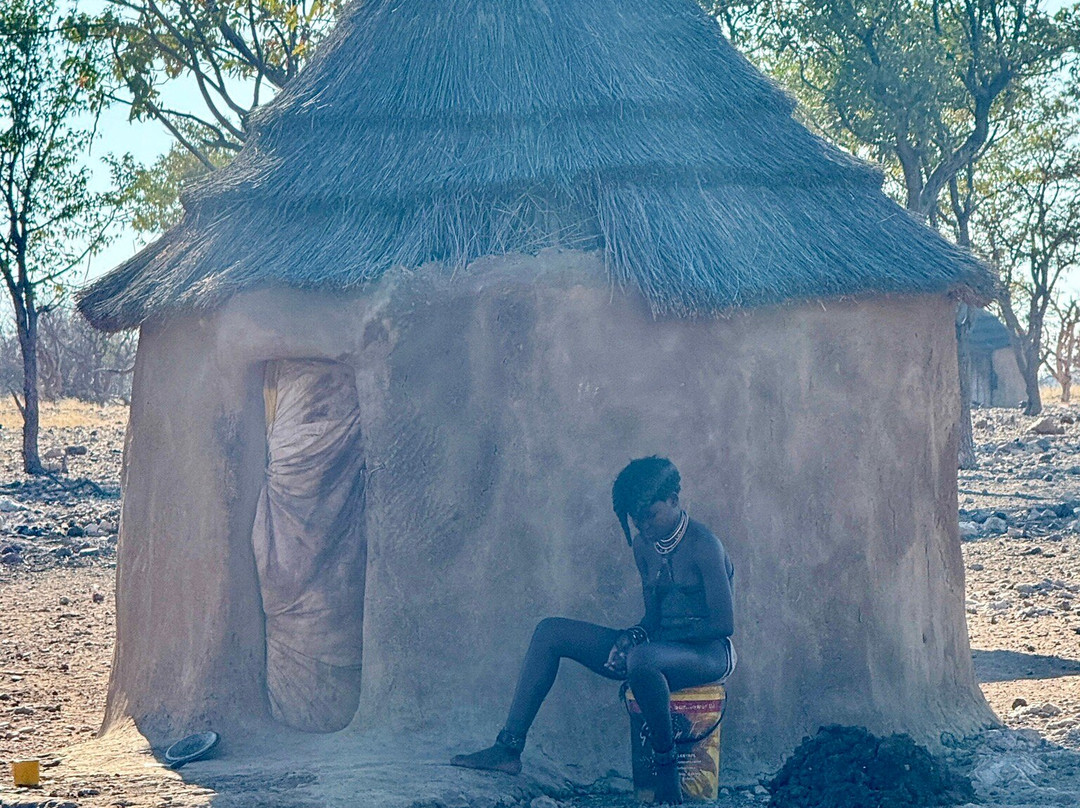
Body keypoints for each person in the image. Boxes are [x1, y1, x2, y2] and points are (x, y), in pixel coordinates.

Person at [451, 457, 736, 805]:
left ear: (675, 500)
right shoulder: (644, 547)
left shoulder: (704, 545)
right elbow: (652, 619)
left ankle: (666, 770)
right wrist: (632, 635)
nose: (643, 527)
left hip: (707, 654)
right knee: (550, 632)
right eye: (635, 519)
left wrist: (644, 646)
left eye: (650, 515)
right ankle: (508, 749)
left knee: (643, 658)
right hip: (654, 653)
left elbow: (723, 625)